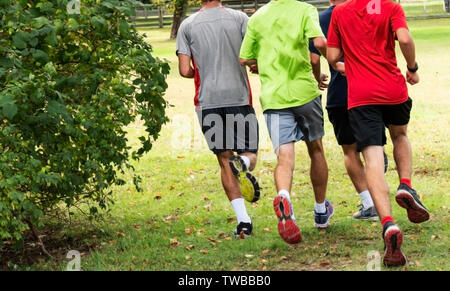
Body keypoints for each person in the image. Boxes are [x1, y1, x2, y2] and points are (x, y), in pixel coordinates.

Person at [327, 0, 430, 266]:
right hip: (393, 89)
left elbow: (332, 56)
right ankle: (406, 185)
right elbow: (405, 38)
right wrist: (412, 68)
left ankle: (387, 224)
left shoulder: (340, 11)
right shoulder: (390, 7)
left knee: (372, 158)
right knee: (400, 135)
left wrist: (346, 67)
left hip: (361, 96)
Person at [239, 0, 333, 245]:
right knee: (316, 150)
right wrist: (333, 61)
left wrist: (261, 63)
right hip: (304, 92)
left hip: (274, 97)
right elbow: (319, 46)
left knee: (285, 157)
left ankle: (283, 196)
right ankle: (321, 211)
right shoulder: (305, 10)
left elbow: (244, 58)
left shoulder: (258, 17)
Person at [176, 0, 260, 238]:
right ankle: (243, 163)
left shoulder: (187, 25)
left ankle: (244, 223)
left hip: (208, 102)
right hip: (239, 98)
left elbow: (184, 70)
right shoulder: (241, 18)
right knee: (249, 154)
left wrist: (202, 71)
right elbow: (252, 56)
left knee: (224, 161)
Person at [309, 0, 381, 221]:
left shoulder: (321, 18)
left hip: (341, 92)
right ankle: (381, 193)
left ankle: (370, 204)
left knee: (350, 151)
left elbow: (313, 57)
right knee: (373, 148)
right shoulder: (368, 10)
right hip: (371, 88)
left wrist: (318, 75)